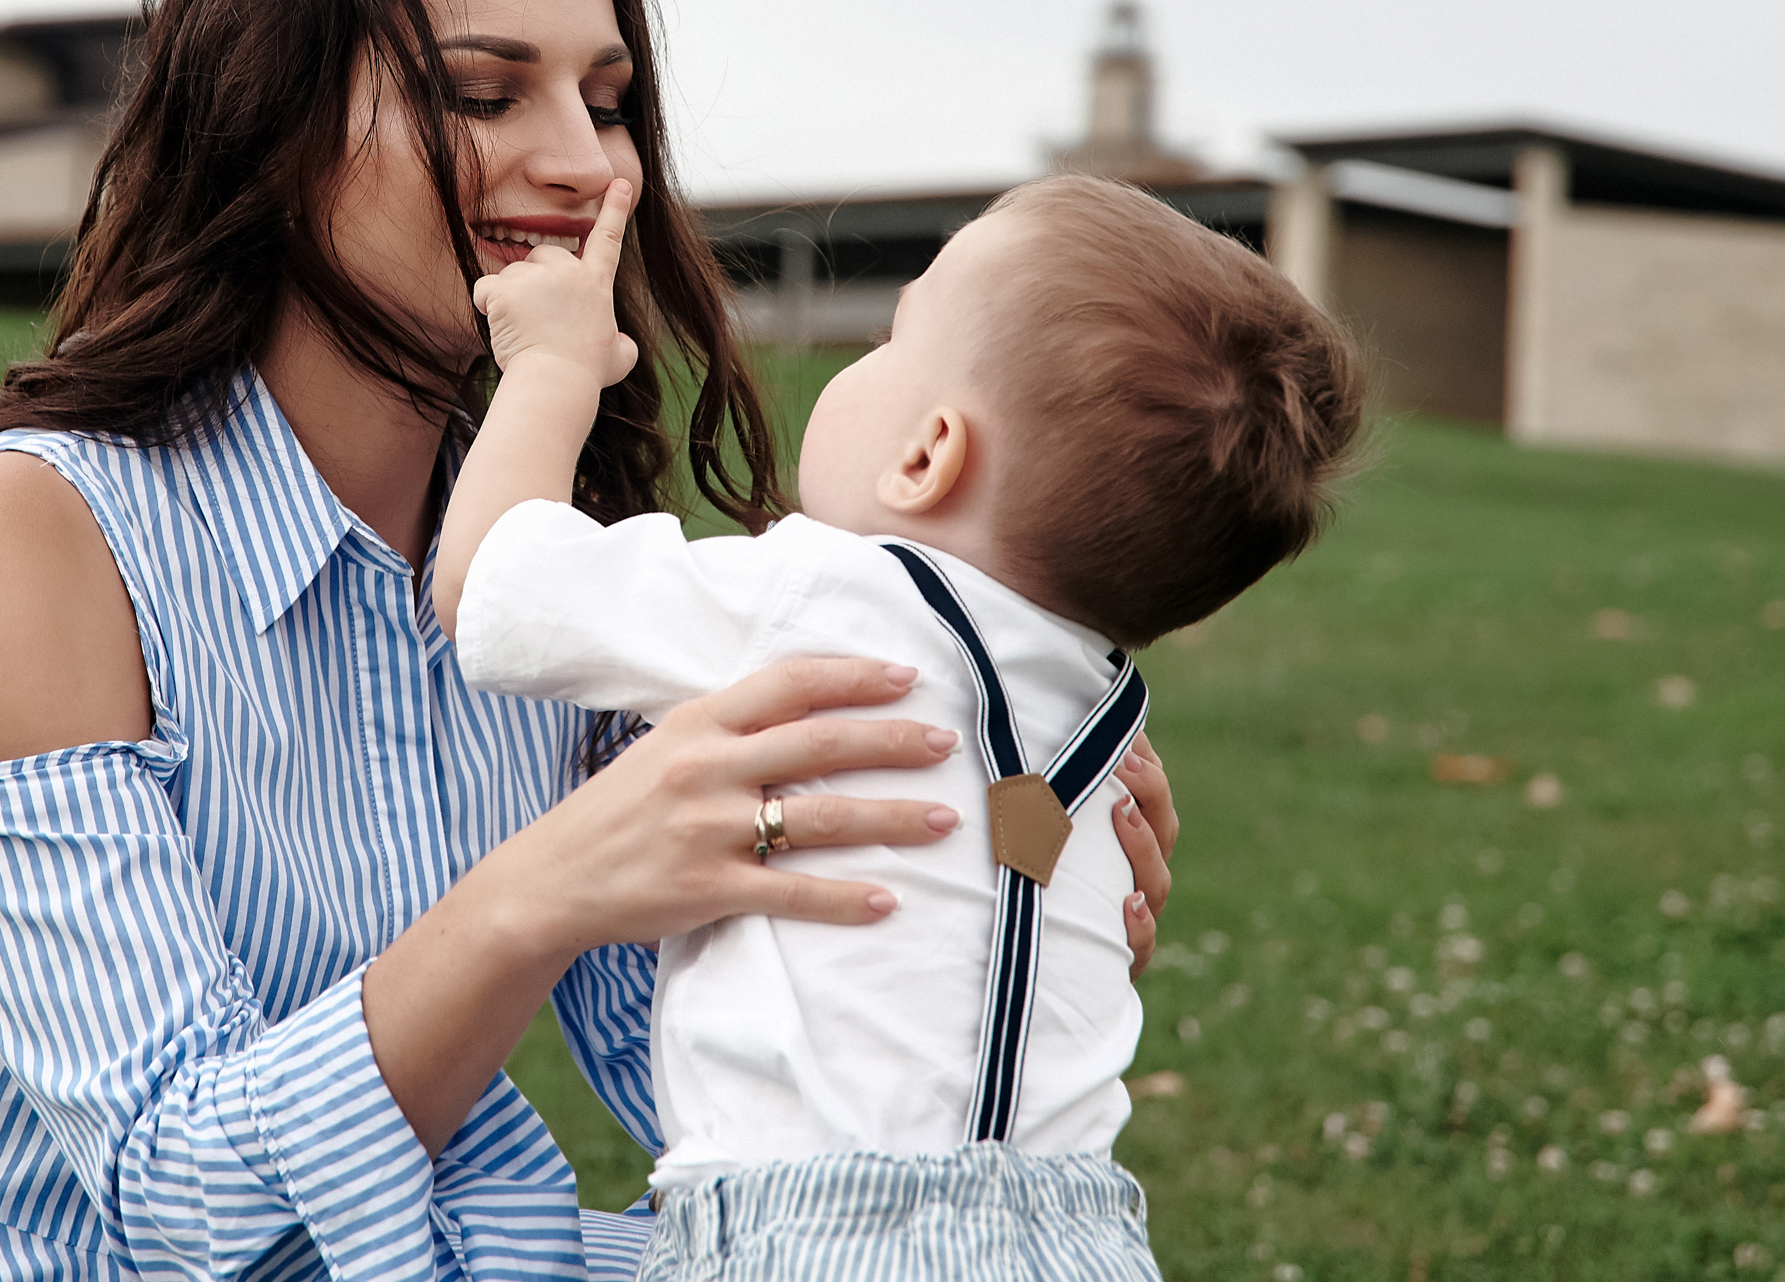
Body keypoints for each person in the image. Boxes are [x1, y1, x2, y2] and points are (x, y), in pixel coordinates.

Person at [0, 0, 1182, 1282]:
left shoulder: (551, 566)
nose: (585, 164)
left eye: (604, 99)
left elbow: (741, 1087)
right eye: (483, 92)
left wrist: (1003, 866)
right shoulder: (29, 542)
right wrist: (548, 883)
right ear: (269, 122)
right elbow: (187, 1211)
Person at [436, 173, 1362, 1279]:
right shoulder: (1097, 712)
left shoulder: (821, 598)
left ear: (925, 456)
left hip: (815, 1234)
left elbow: (497, 593)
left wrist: (549, 369)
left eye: (889, 336)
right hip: (1083, 1232)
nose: (856, 361)